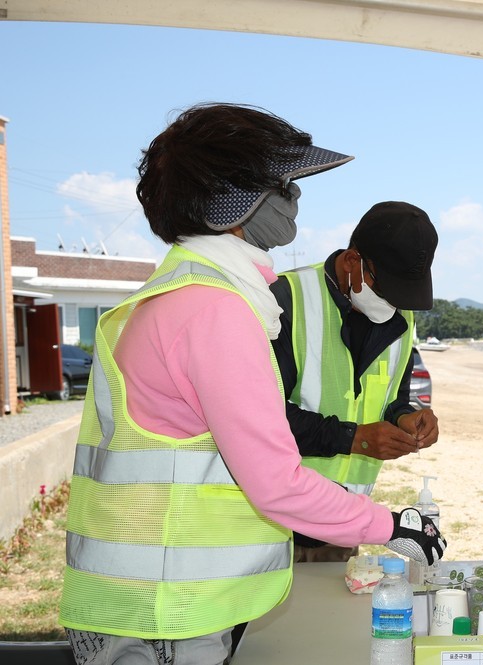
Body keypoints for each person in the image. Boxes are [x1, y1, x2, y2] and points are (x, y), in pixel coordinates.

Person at [58, 103, 446, 665]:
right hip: (166, 608)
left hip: (145, 599)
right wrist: (394, 524)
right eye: (284, 184)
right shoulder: (214, 310)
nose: (296, 199)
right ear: (234, 202)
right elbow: (276, 483)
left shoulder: (182, 293)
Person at [270, 201, 440, 562]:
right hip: (274, 523)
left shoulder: (402, 318)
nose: (392, 305)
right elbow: (261, 418)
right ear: (352, 261)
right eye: (386, 289)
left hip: (342, 523)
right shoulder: (285, 300)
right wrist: (356, 439)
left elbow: (393, 398)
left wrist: (406, 416)